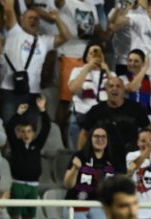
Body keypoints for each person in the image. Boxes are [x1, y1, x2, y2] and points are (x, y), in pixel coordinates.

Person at [0, 0, 70, 123]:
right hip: (10, 90)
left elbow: (66, 37)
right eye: (30, 18)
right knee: (9, 129)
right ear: (21, 20)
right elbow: (9, 9)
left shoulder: (44, 41)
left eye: (36, 19)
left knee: (30, 131)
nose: (33, 20)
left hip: (33, 93)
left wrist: (56, 19)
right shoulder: (15, 32)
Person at [79, 76, 151, 172]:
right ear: (106, 90)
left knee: (127, 184)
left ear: (123, 90)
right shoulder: (96, 110)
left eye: (118, 86)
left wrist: (145, 151)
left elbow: (149, 130)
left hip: (130, 159)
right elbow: (84, 134)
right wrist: (82, 157)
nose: (114, 88)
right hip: (103, 160)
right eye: (111, 86)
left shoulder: (135, 108)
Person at [54, 0, 101, 146]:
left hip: (87, 55)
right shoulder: (68, 3)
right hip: (69, 54)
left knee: (88, 97)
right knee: (66, 99)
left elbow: (96, 30)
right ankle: (61, 136)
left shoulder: (91, 5)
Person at [5, 96, 49, 219]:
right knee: (14, 217)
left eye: (29, 131)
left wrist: (43, 110)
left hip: (33, 186)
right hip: (18, 185)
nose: (26, 134)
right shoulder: (16, 145)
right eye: (23, 131)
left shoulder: (37, 145)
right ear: (19, 133)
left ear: (33, 133)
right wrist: (18, 114)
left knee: (29, 217)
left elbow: (46, 128)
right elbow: (9, 128)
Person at [64, 125, 116, 219]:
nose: (100, 139)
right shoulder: (79, 156)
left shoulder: (111, 160)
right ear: (90, 138)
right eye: (96, 136)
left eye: (103, 136)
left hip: (97, 206)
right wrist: (75, 169)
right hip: (76, 205)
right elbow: (68, 184)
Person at [67, 42, 110, 146]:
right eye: (91, 53)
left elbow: (116, 93)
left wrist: (107, 70)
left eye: (98, 53)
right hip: (81, 115)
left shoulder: (110, 74)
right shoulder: (78, 71)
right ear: (86, 57)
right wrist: (87, 68)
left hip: (102, 117)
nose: (95, 56)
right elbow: (73, 89)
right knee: (79, 153)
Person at [121, 49, 151, 118]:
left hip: (146, 116)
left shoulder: (148, 79)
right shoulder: (122, 78)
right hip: (128, 116)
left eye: (136, 61)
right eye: (130, 60)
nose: (132, 64)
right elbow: (131, 88)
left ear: (142, 63)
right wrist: (145, 68)